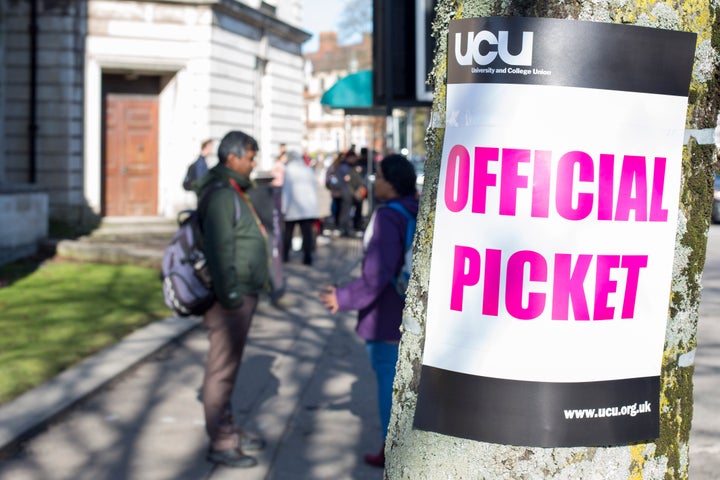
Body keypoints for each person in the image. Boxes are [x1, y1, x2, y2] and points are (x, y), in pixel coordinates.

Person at [319, 154, 418, 468]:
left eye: (380, 176)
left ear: (391, 182)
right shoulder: (418, 208)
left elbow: (376, 272)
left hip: (387, 314)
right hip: (410, 306)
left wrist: (343, 298)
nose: (376, 182)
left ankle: (394, 453)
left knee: (390, 384)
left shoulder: (389, 216)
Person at [194, 130, 270, 469]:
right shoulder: (223, 194)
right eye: (250, 157)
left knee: (228, 368)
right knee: (222, 369)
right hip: (231, 299)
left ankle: (229, 430)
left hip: (239, 293)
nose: (253, 164)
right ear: (232, 158)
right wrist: (231, 297)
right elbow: (220, 249)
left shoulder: (233, 190)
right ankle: (222, 442)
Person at [282, 150, 319, 265]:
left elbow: (286, 191)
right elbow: (314, 189)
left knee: (288, 233)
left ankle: (285, 256)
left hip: (294, 208)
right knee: (306, 234)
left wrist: (284, 207)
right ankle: (307, 257)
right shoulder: (307, 169)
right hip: (307, 208)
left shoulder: (289, 170)